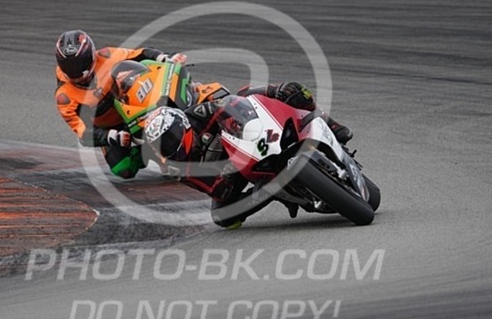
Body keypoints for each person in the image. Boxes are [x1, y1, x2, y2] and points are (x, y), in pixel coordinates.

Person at [143, 81, 353, 228]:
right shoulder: (176, 168)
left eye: (171, 138)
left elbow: (228, 105)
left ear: (183, 125)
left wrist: (273, 93)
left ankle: (332, 125)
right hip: (231, 169)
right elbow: (219, 190)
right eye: (164, 146)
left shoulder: (197, 116)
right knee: (222, 216)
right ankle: (274, 190)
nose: (171, 146)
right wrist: (233, 169)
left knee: (254, 91)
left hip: (246, 137)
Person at [54, 29, 187, 179]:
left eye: (79, 64)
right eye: (68, 66)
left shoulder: (107, 55)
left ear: (91, 55)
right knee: (123, 169)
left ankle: (189, 100)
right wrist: (111, 136)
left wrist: (164, 57)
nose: (75, 71)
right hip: (111, 129)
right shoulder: (64, 97)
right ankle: (147, 151)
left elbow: (140, 54)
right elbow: (83, 133)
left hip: (135, 106)